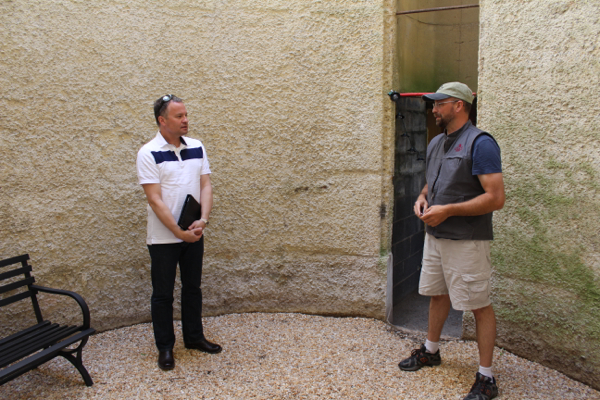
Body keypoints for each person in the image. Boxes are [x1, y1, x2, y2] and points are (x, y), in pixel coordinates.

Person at [397, 82, 505, 400]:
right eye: (433, 104)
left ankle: (486, 378)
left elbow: (495, 198)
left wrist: (449, 211)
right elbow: (433, 184)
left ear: (458, 105)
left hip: (467, 241)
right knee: (437, 294)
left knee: (479, 306)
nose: (434, 109)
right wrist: (421, 198)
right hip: (436, 237)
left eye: (439, 104)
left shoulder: (481, 143)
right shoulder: (436, 144)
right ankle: (431, 350)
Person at [136, 94, 222, 371]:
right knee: (162, 294)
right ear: (162, 120)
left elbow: (205, 186)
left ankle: (194, 338)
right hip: (163, 238)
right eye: (179, 116)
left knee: (193, 289)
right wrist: (177, 232)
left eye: (186, 114)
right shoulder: (147, 152)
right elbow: (155, 200)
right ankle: (165, 348)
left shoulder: (197, 146)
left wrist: (203, 221)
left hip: (194, 233)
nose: (186, 120)